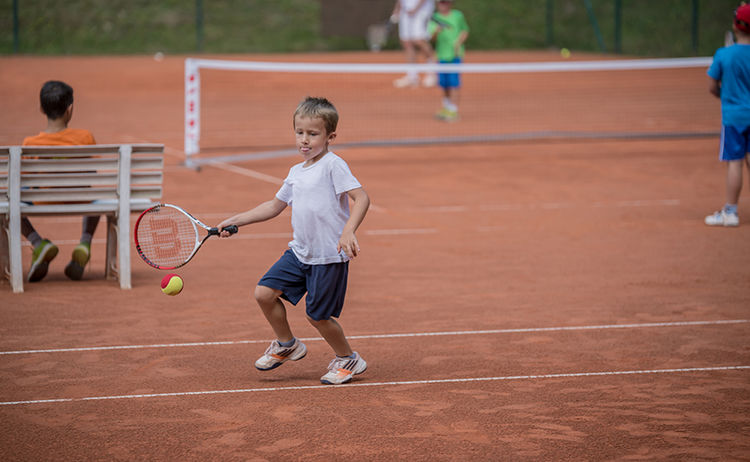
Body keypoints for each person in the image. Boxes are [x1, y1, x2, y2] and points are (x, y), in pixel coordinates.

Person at [217, 97, 370, 385]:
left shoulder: (333, 165)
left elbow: (361, 197)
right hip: (300, 253)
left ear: (330, 136)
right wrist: (237, 219)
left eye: (313, 134)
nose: (304, 139)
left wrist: (349, 230)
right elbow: (274, 206)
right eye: (300, 132)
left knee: (318, 316)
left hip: (328, 256)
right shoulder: (296, 172)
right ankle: (287, 344)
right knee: (264, 293)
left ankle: (349, 358)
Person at [21, 80, 100, 282]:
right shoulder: (85, 137)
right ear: (70, 109)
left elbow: (26, 177)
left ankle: (37, 242)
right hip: (81, 200)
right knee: (96, 196)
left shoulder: (30, 143)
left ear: (41, 109)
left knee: (8, 204)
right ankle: (85, 242)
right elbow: (92, 171)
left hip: (42, 201)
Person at [705, 3, 750, 227]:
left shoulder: (724, 55)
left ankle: (730, 212)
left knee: (735, 163)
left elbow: (712, 87)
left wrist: (727, 94)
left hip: (733, 118)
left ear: (735, 25)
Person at [429, 0, 469, 122]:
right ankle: (447, 107)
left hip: (455, 55)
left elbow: (465, 30)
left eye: (445, 2)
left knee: (454, 83)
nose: (443, 5)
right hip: (442, 56)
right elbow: (431, 38)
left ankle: (454, 110)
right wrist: (437, 31)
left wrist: (458, 43)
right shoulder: (434, 18)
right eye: (441, 3)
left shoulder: (458, 15)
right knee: (444, 84)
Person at [391, 0, 437, 88]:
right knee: (406, 42)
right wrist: (397, 9)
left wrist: (415, 9)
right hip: (405, 12)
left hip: (422, 11)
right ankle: (412, 77)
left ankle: (432, 74)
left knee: (419, 40)